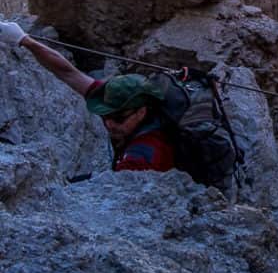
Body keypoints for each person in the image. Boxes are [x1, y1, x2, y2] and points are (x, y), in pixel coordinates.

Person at [0, 20, 175, 173]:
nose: (109, 124)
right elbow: (68, 72)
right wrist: (23, 39)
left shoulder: (144, 154)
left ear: (141, 112)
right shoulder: (117, 100)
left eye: (118, 118)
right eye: (105, 115)